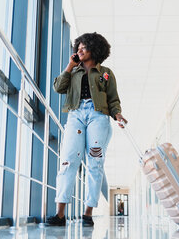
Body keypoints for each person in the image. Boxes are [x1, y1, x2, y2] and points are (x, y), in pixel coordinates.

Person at [46, 32, 127, 227]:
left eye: (84, 48)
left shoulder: (105, 72)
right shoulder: (73, 71)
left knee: (95, 163)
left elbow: (113, 98)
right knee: (68, 161)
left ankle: (88, 213)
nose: (79, 50)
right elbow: (58, 87)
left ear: (94, 49)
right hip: (76, 115)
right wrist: (70, 66)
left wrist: (117, 114)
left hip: (98, 116)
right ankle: (60, 214)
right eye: (78, 48)